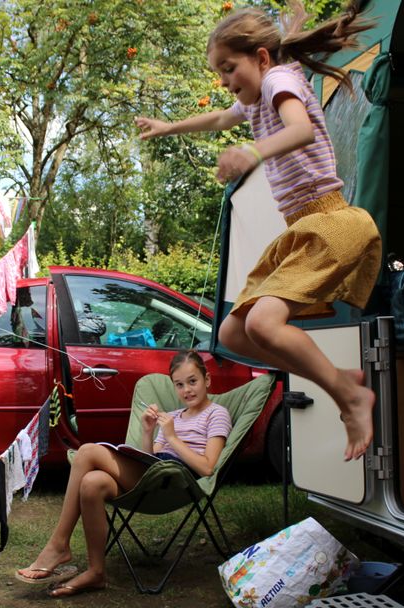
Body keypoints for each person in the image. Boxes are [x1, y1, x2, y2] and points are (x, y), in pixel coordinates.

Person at [135, 1, 381, 461]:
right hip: (303, 229)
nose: (227, 82)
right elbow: (218, 118)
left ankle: (349, 396)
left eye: (229, 69)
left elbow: (301, 129)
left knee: (264, 322)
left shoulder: (277, 80)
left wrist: (253, 153)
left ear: (262, 57)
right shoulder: (258, 93)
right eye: (220, 74)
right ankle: (338, 379)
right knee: (233, 333)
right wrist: (170, 126)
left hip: (329, 222)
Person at [16, 350, 231, 597]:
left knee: (86, 452)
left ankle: (59, 544)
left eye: (193, 381)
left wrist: (172, 436)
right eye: (179, 385)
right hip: (154, 473)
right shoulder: (172, 417)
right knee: (91, 482)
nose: (187, 390)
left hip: (175, 480)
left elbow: (207, 467)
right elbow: (152, 455)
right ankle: (97, 572)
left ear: (208, 380)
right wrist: (148, 431)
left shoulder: (217, 414)